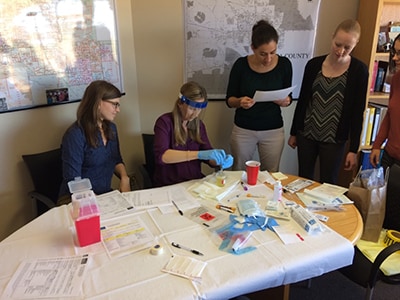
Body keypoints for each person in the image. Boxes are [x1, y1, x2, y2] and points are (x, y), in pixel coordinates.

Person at [288, 19, 369, 184]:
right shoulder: (313, 65)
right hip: (307, 135)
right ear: (332, 37)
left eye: (347, 47)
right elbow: (303, 100)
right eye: (338, 44)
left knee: (328, 184)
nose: (341, 51)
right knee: (303, 181)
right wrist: (294, 132)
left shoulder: (359, 71)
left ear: (356, 44)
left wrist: (354, 149)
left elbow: (357, 112)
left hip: (334, 140)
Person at [226, 19, 293, 172]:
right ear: (253, 48)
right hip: (244, 129)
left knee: (271, 175)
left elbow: (289, 97)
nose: (268, 59)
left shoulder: (284, 65)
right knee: (239, 173)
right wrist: (240, 101)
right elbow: (229, 100)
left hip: (273, 130)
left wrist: (285, 101)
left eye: (273, 52)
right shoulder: (241, 65)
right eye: (263, 54)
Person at [58, 80, 130, 204]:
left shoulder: (111, 128)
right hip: (76, 199)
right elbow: (74, 181)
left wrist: (124, 178)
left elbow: (116, 159)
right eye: (115, 104)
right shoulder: (75, 134)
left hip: (103, 195)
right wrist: (99, 202)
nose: (117, 110)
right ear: (98, 102)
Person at [153, 81, 233, 187]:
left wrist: (219, 160)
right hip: (170, 184)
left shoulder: (199, 126)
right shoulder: (164, 122)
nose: (195, 114)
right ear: (180, 103)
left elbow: (208, 154)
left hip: (194, 183)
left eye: (199, 109)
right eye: (192, 108)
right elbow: (162, 156)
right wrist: (197, 154)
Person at [370, 33, 400, 170]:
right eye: (394, 52)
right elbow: (390, 115)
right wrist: (377, 145)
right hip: (390, 155)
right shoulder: (396, 79)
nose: (394, 58)